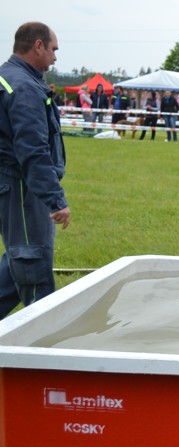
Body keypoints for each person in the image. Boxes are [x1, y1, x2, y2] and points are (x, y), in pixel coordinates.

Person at [0, 21, 72, 318]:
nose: (55, 58)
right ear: (38, 45)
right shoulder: (25, 87)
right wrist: (55, 200)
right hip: (22, 186)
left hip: (13, 182)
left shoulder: (7, 76)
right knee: (32, 264)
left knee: (15, 263)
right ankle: (43, 347)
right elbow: (32, 152)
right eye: (53, 49)